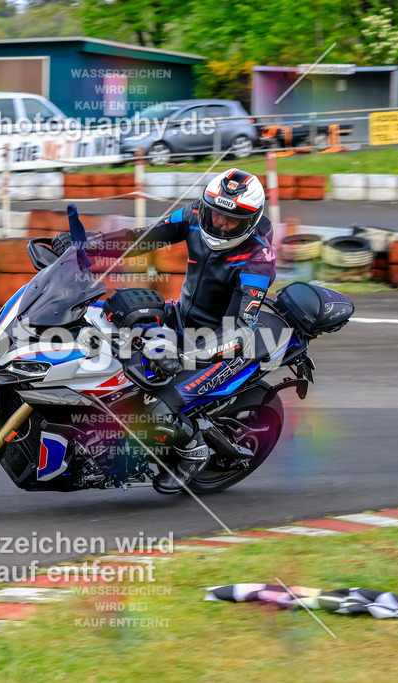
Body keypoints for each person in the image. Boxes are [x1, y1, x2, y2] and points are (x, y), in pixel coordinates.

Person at [52, 168, 276, 493]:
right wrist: (88, 245)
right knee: (104, 317)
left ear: (250, 222)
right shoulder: (195, 214)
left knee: (159, 403)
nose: (219, 224)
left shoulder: (259, 259)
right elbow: (143, 238)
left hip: (223, 345)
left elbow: (241, 331)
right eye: (215, 213)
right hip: (181, 316)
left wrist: (183, 355)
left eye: (232, 220)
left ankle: (193, 450)